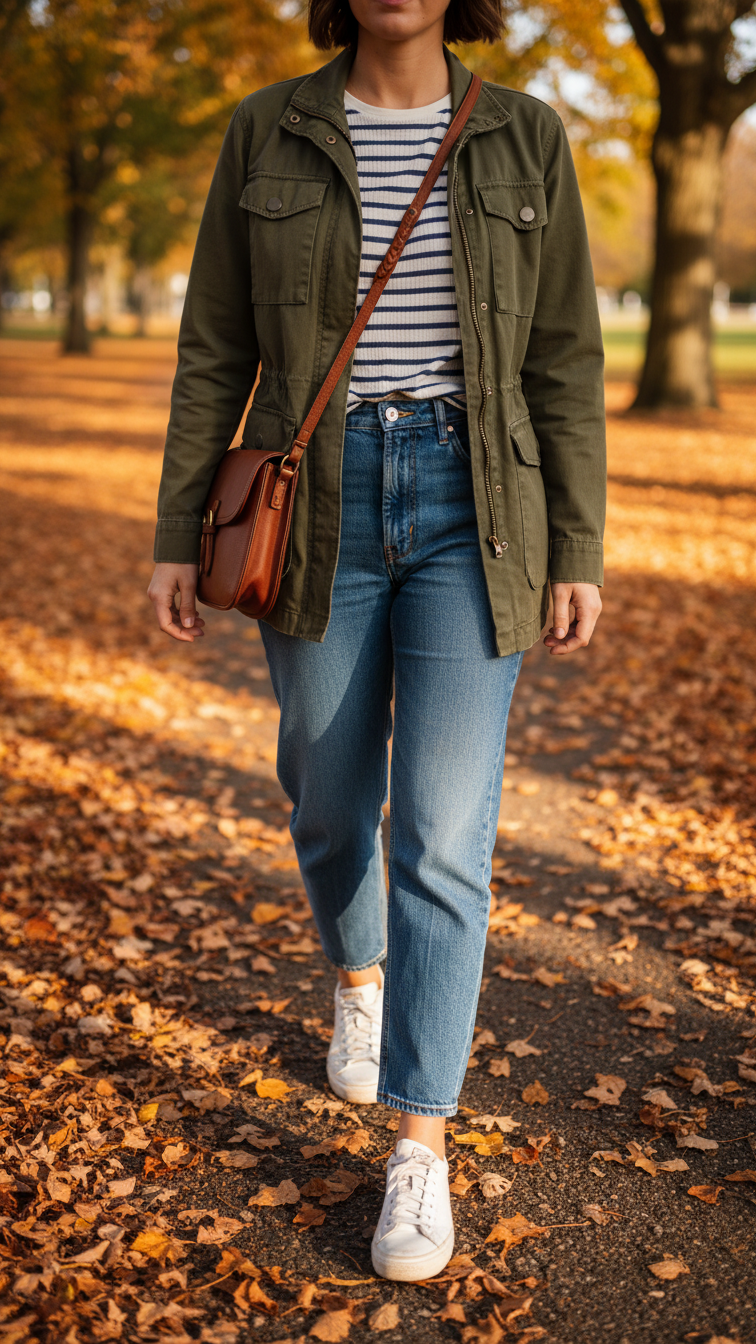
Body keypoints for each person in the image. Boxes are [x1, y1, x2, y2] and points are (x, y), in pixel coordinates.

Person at [148, 0, 606, 1283]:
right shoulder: (269, 129)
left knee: (447, 830)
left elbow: (563, 356)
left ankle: (419, 1143)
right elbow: (214, 347)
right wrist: (179, 526)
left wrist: (579, 546)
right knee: (330, 798)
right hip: (315, 501)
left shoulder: (524, 135)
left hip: (481, 506)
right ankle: (358, 971)